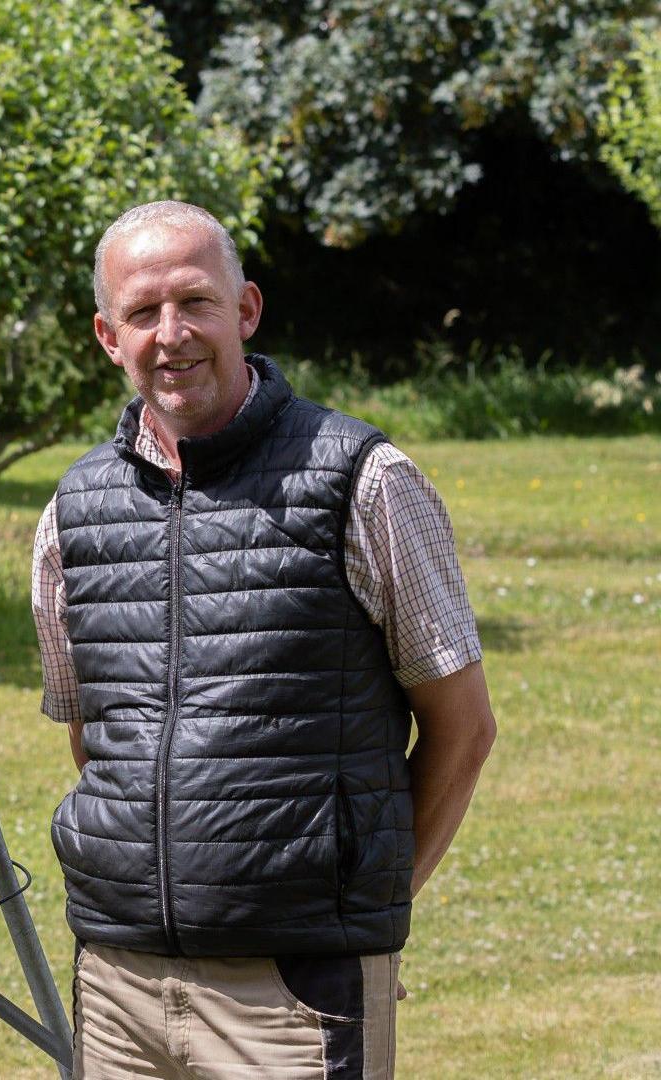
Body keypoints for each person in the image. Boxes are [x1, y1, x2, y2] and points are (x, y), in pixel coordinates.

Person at [31, 202, 497, 1079]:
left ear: (245, 310)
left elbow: (463, 726)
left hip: (292, 992)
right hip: (117, 986)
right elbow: (98, 738)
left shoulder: (363, 479)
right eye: (142, 312)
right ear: (106, 334)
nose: (171, 335)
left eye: (195, 303)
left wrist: (371, 914)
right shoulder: (71, 511)